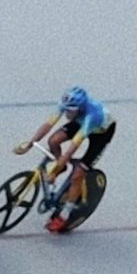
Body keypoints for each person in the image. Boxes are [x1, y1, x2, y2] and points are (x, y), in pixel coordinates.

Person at [20, 87, 114, 231]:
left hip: (101, 133)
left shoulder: (92, 116)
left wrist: (59, 164)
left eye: (70, 111)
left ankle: (64, 215)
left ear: (80, 108)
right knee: (53, 141)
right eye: (66, 110)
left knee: (77, 174)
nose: (66, 113)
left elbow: (74, 145)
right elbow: (48, 125)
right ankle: (62, 168)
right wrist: (31, 142)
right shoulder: (68, 105)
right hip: (80, 122)